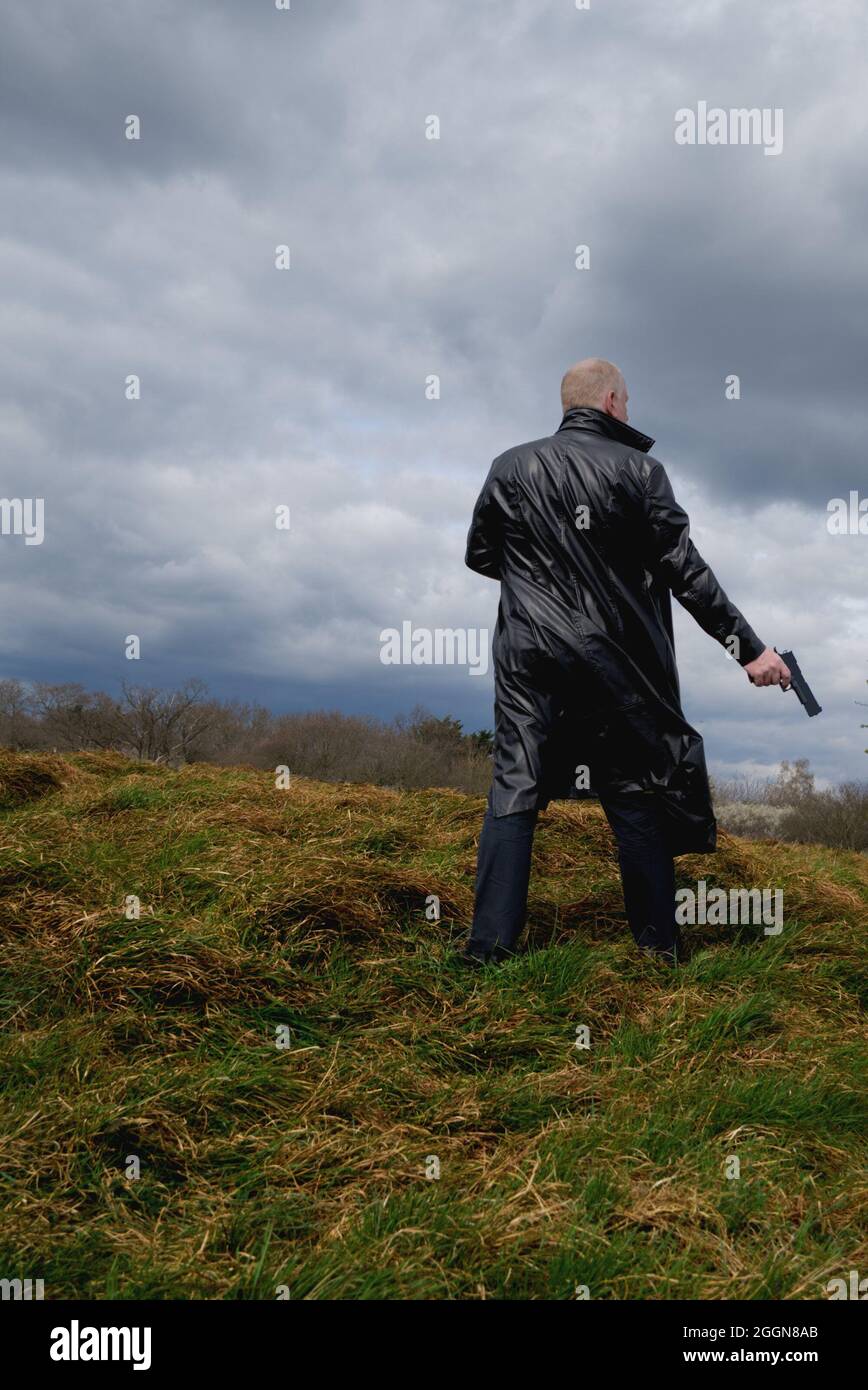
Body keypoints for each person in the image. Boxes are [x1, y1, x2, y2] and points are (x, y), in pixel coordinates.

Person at [461, 358, 791, 966]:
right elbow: (686, 573)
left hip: (527, 653)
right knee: (633, 786)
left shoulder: (509, 466)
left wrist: (543, 579)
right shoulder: (640, 471)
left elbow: (482, 555)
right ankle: (657, 950)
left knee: (515, 784)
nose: (630, 411)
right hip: (613, 659)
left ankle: (488, 951)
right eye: (629, 401)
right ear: (611, 401)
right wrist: (750, 650)